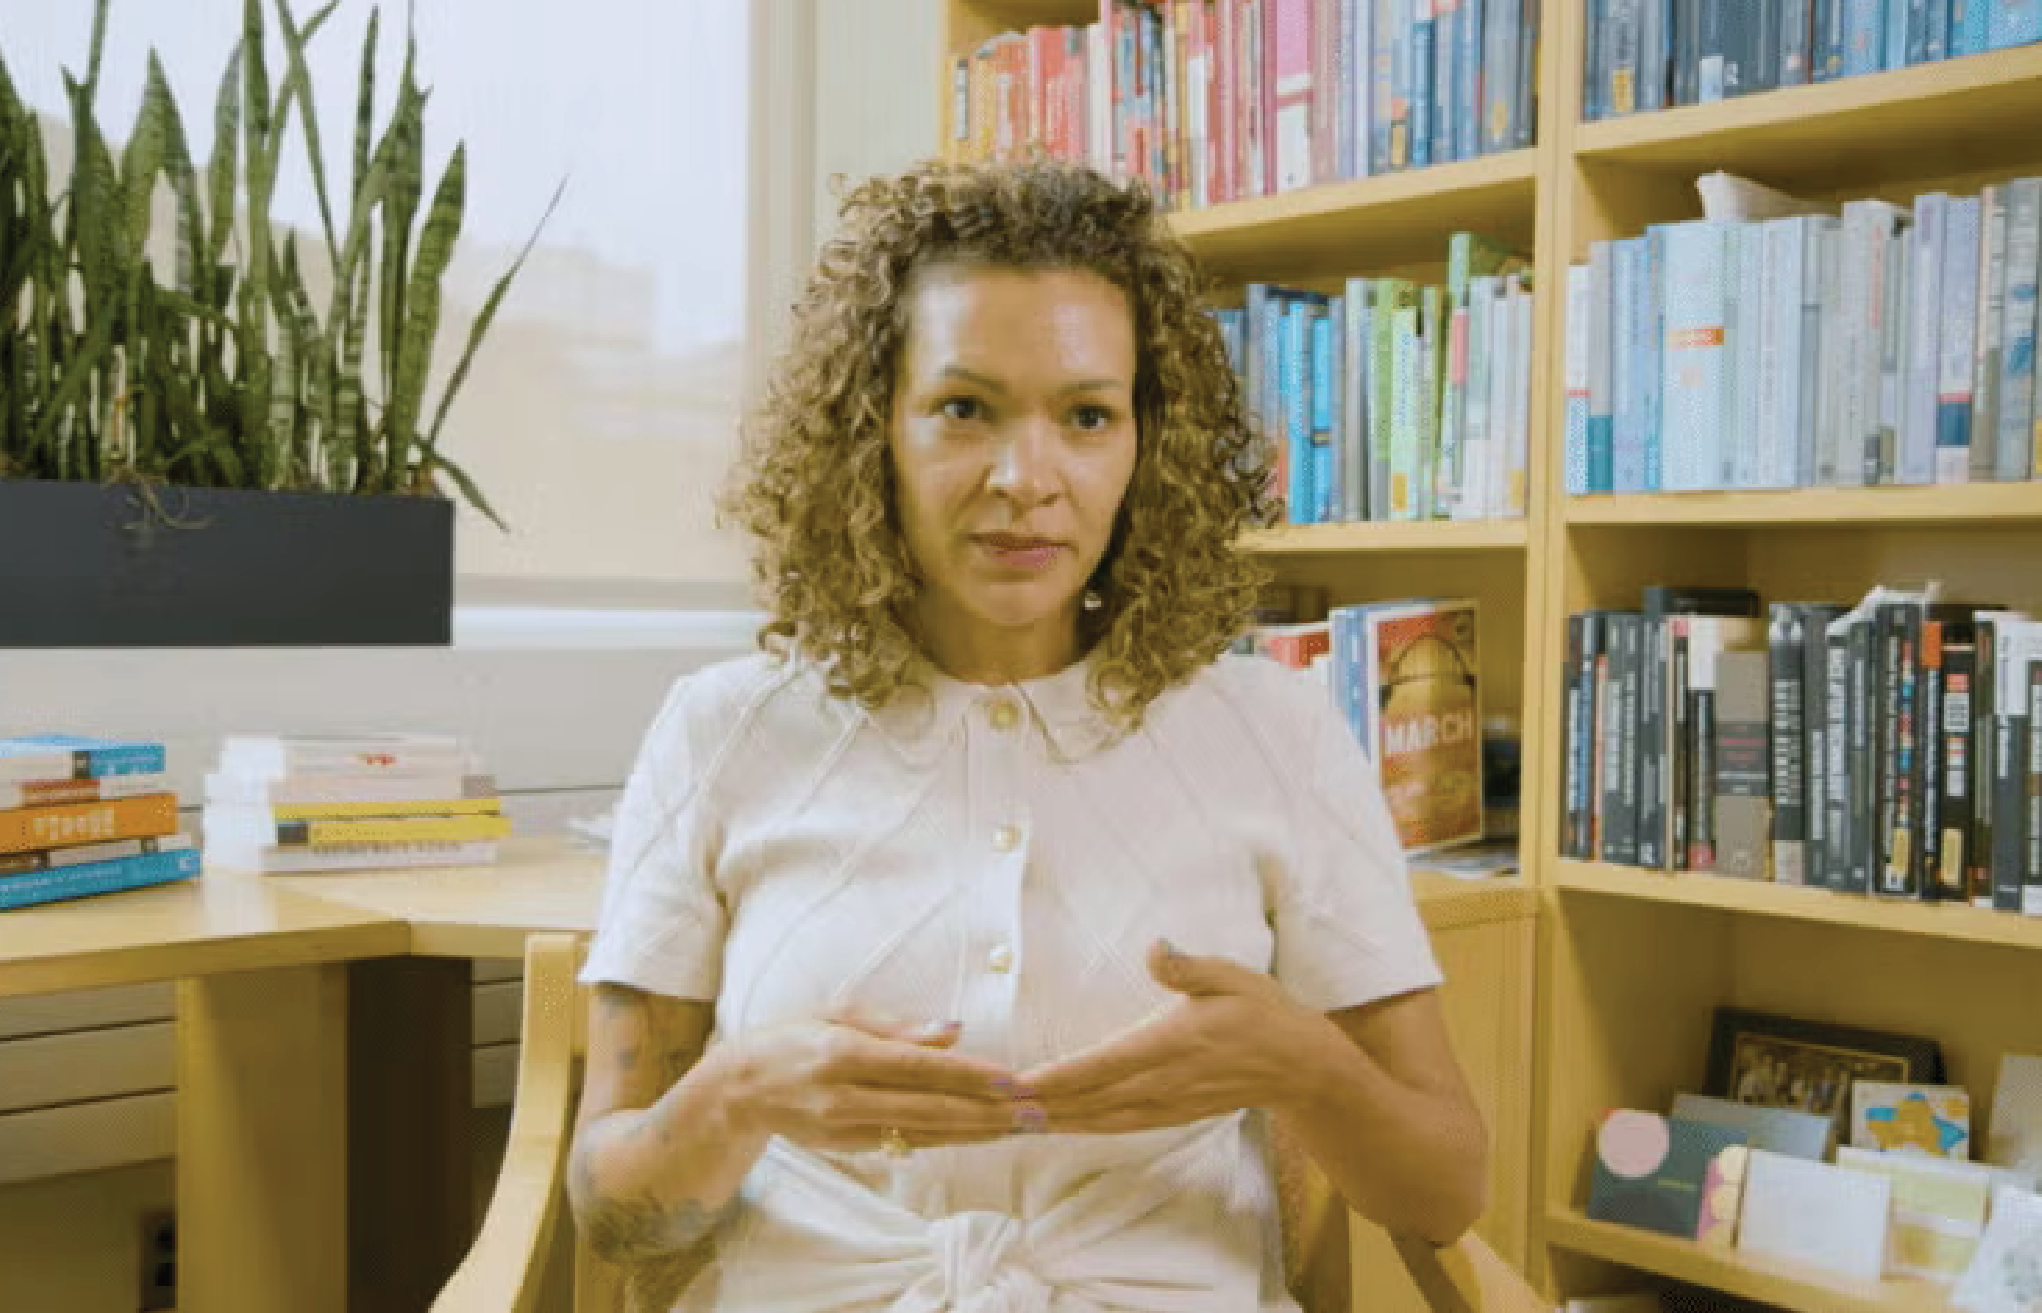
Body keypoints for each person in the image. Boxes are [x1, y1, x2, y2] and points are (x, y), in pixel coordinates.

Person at [568, 155, 1489, 1312]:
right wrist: (736, 1092)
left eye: (1086, 416)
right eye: (964, 409)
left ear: (1142, 446)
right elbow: (614, 1218)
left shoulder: (1278, 731)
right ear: (874, 432)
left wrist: (1297, 1066)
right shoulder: (719, 731)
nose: (1024, 478)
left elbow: (1445, 1187)